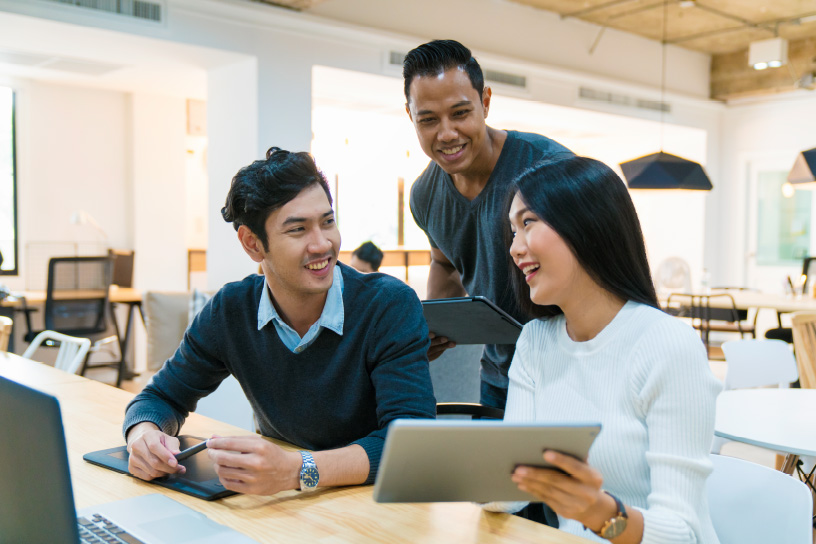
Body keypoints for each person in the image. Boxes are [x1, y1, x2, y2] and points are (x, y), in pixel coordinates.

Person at [124, 147, 436, 496]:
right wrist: (144, 437)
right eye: (298, 229)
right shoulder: (231, 310)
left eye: (327, 221)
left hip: (373, 502)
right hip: (282, 505)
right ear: (253, 244)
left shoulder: (388, 305)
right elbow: (160, 397)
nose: (322, 244)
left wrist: (297, 470)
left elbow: (411, 442)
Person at [484, 155, 720, 543]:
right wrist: (458, 470)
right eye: (512, 231)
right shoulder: (535, 342)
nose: (514, 248)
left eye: (527, 223)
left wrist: (601, 513)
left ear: (586, 225)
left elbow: (684, 533)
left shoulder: (667, 345)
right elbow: (511, 489)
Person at [404, 39, 571, 410]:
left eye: (460, 113)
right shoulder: (424, 194)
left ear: (486, 102)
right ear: (410, 115)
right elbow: (445, 262)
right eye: (428, 119)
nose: (446, 133)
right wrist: (434, 325)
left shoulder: (548, 168)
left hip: (565, 372)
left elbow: (590, 273)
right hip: (498, 377)